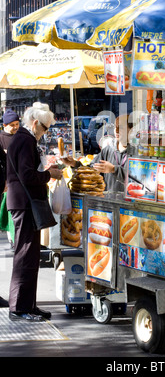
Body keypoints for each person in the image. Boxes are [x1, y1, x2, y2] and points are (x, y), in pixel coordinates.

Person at [6, 102, 62, 322]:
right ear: (36, 123)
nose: (45, 133)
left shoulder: (22, 139)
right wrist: (50, 176)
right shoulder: (25, 140)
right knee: (25, 255)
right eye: (45, 128)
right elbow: (28, 176)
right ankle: (20, 307)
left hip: (23, 203)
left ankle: (28, 304)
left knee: (30, 255)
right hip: (24, 204)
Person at [64, 114, 133, 192]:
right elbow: (91, 171)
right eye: (115, 127)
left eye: (121, 128)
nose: (116, 130)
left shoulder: (137, 153)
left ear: (131, 130)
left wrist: (114, 169)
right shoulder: (108, 149)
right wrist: (74, 164)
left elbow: (139, 179)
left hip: (130, 201)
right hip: (109, 200)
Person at [0, 109, 20, 249]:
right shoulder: (0, 138)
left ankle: (15, 239)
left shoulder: (21, 137)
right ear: (5, 125)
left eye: (17, 124)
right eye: (12, 124)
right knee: (7, 212)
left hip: (20, 179)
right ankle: (12, 239)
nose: (15, 127)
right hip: (6, 180)